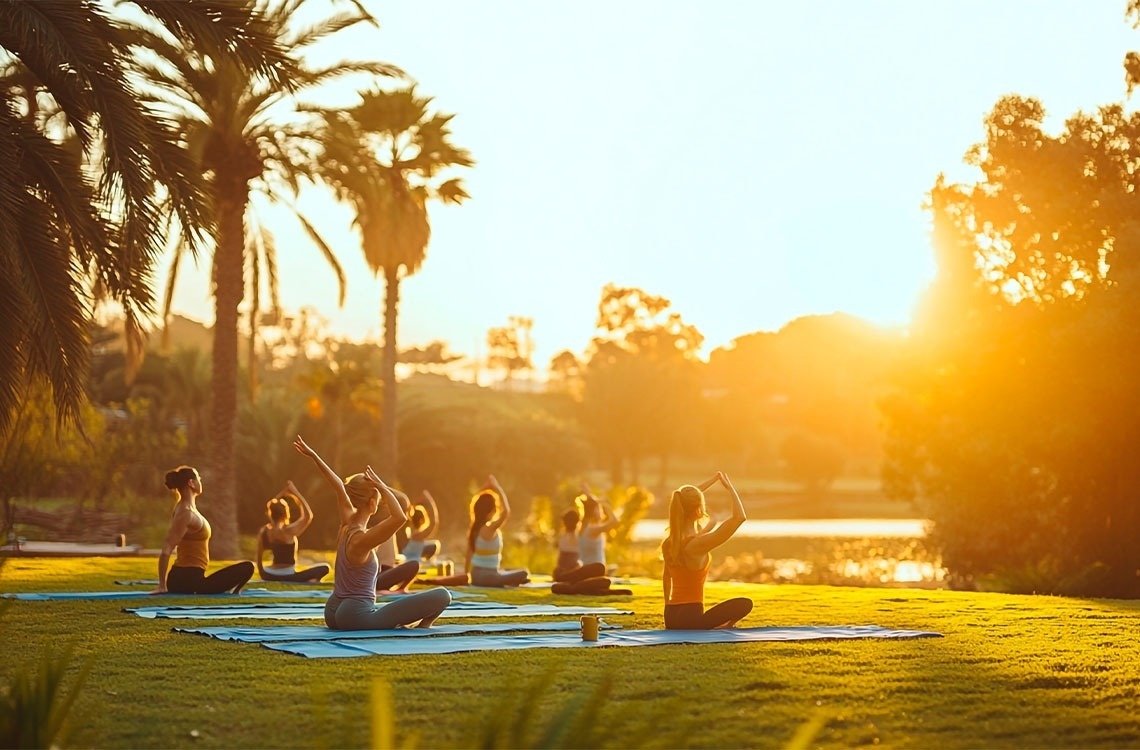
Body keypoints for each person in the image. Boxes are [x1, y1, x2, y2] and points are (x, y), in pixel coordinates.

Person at [293, 435, 450, 630]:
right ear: (372, 503)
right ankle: (425, 625)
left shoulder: (346, 523)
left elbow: (338, 486)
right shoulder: (362, 539)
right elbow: (400, 517)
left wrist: (314, 456)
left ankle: (423, 624)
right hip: (354, 616)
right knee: (443, 595)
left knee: (417, 602)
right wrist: (382, 487)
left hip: (332, 610)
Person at [661, 471, 753, 630]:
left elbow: (666, 577)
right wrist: (730, 488)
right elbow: (739, 518)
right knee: (745, 604)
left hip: (671, 616)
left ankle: (720, 626)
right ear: (698, 510)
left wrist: (711, 481)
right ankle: (722, 627)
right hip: (691, 618)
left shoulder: (669, 543)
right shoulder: (697, 545)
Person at [151, 466, 255, 595]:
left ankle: (235, 591)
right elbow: (167, 548)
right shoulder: (186, 513)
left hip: (192, 577)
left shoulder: (188, 509)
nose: (201, 481)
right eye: (198, 478)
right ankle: (233, 591)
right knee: (247, 567)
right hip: (187, 580)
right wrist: (162, 585)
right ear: (191, 483)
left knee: (246, 568)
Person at [255, 481, 330, 583]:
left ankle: (311, 580)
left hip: (268, 574)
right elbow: (308, 516)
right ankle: (311, 581)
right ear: (286, 514)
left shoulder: (264, 532)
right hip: (288, 575)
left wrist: (263, 574)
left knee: (313, 575)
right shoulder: (288, 531)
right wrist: (295, 493)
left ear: (270, 513)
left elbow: (258, 558)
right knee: (324, 568)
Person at [465, 475, 530, 587]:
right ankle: (509, 580)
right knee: (524, 573)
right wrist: (497, 488)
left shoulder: (475, 529)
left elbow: (468, 555)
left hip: (477, 575)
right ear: (491, 511)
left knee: (509, 571)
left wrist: (466, 575)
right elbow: (506, 512)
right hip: (487, 577)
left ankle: (508, 580)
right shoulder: (489, 528)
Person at [578, 488, 620, 571]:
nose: (601, 511)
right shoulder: (592, 530)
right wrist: (607, 507)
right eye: (599, 508)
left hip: (590, 568)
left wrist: (587, 494)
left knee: (614, 567)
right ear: (594, 511)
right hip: (594, 570)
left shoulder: (584, 526)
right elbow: (615, 522)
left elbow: (589, 504)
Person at [401, 490, 442, 562]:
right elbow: (434, 523)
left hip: (409, 562)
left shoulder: (410, 533)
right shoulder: (416, 535)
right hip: (411, 564)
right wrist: (430, 501)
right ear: (421, 520)